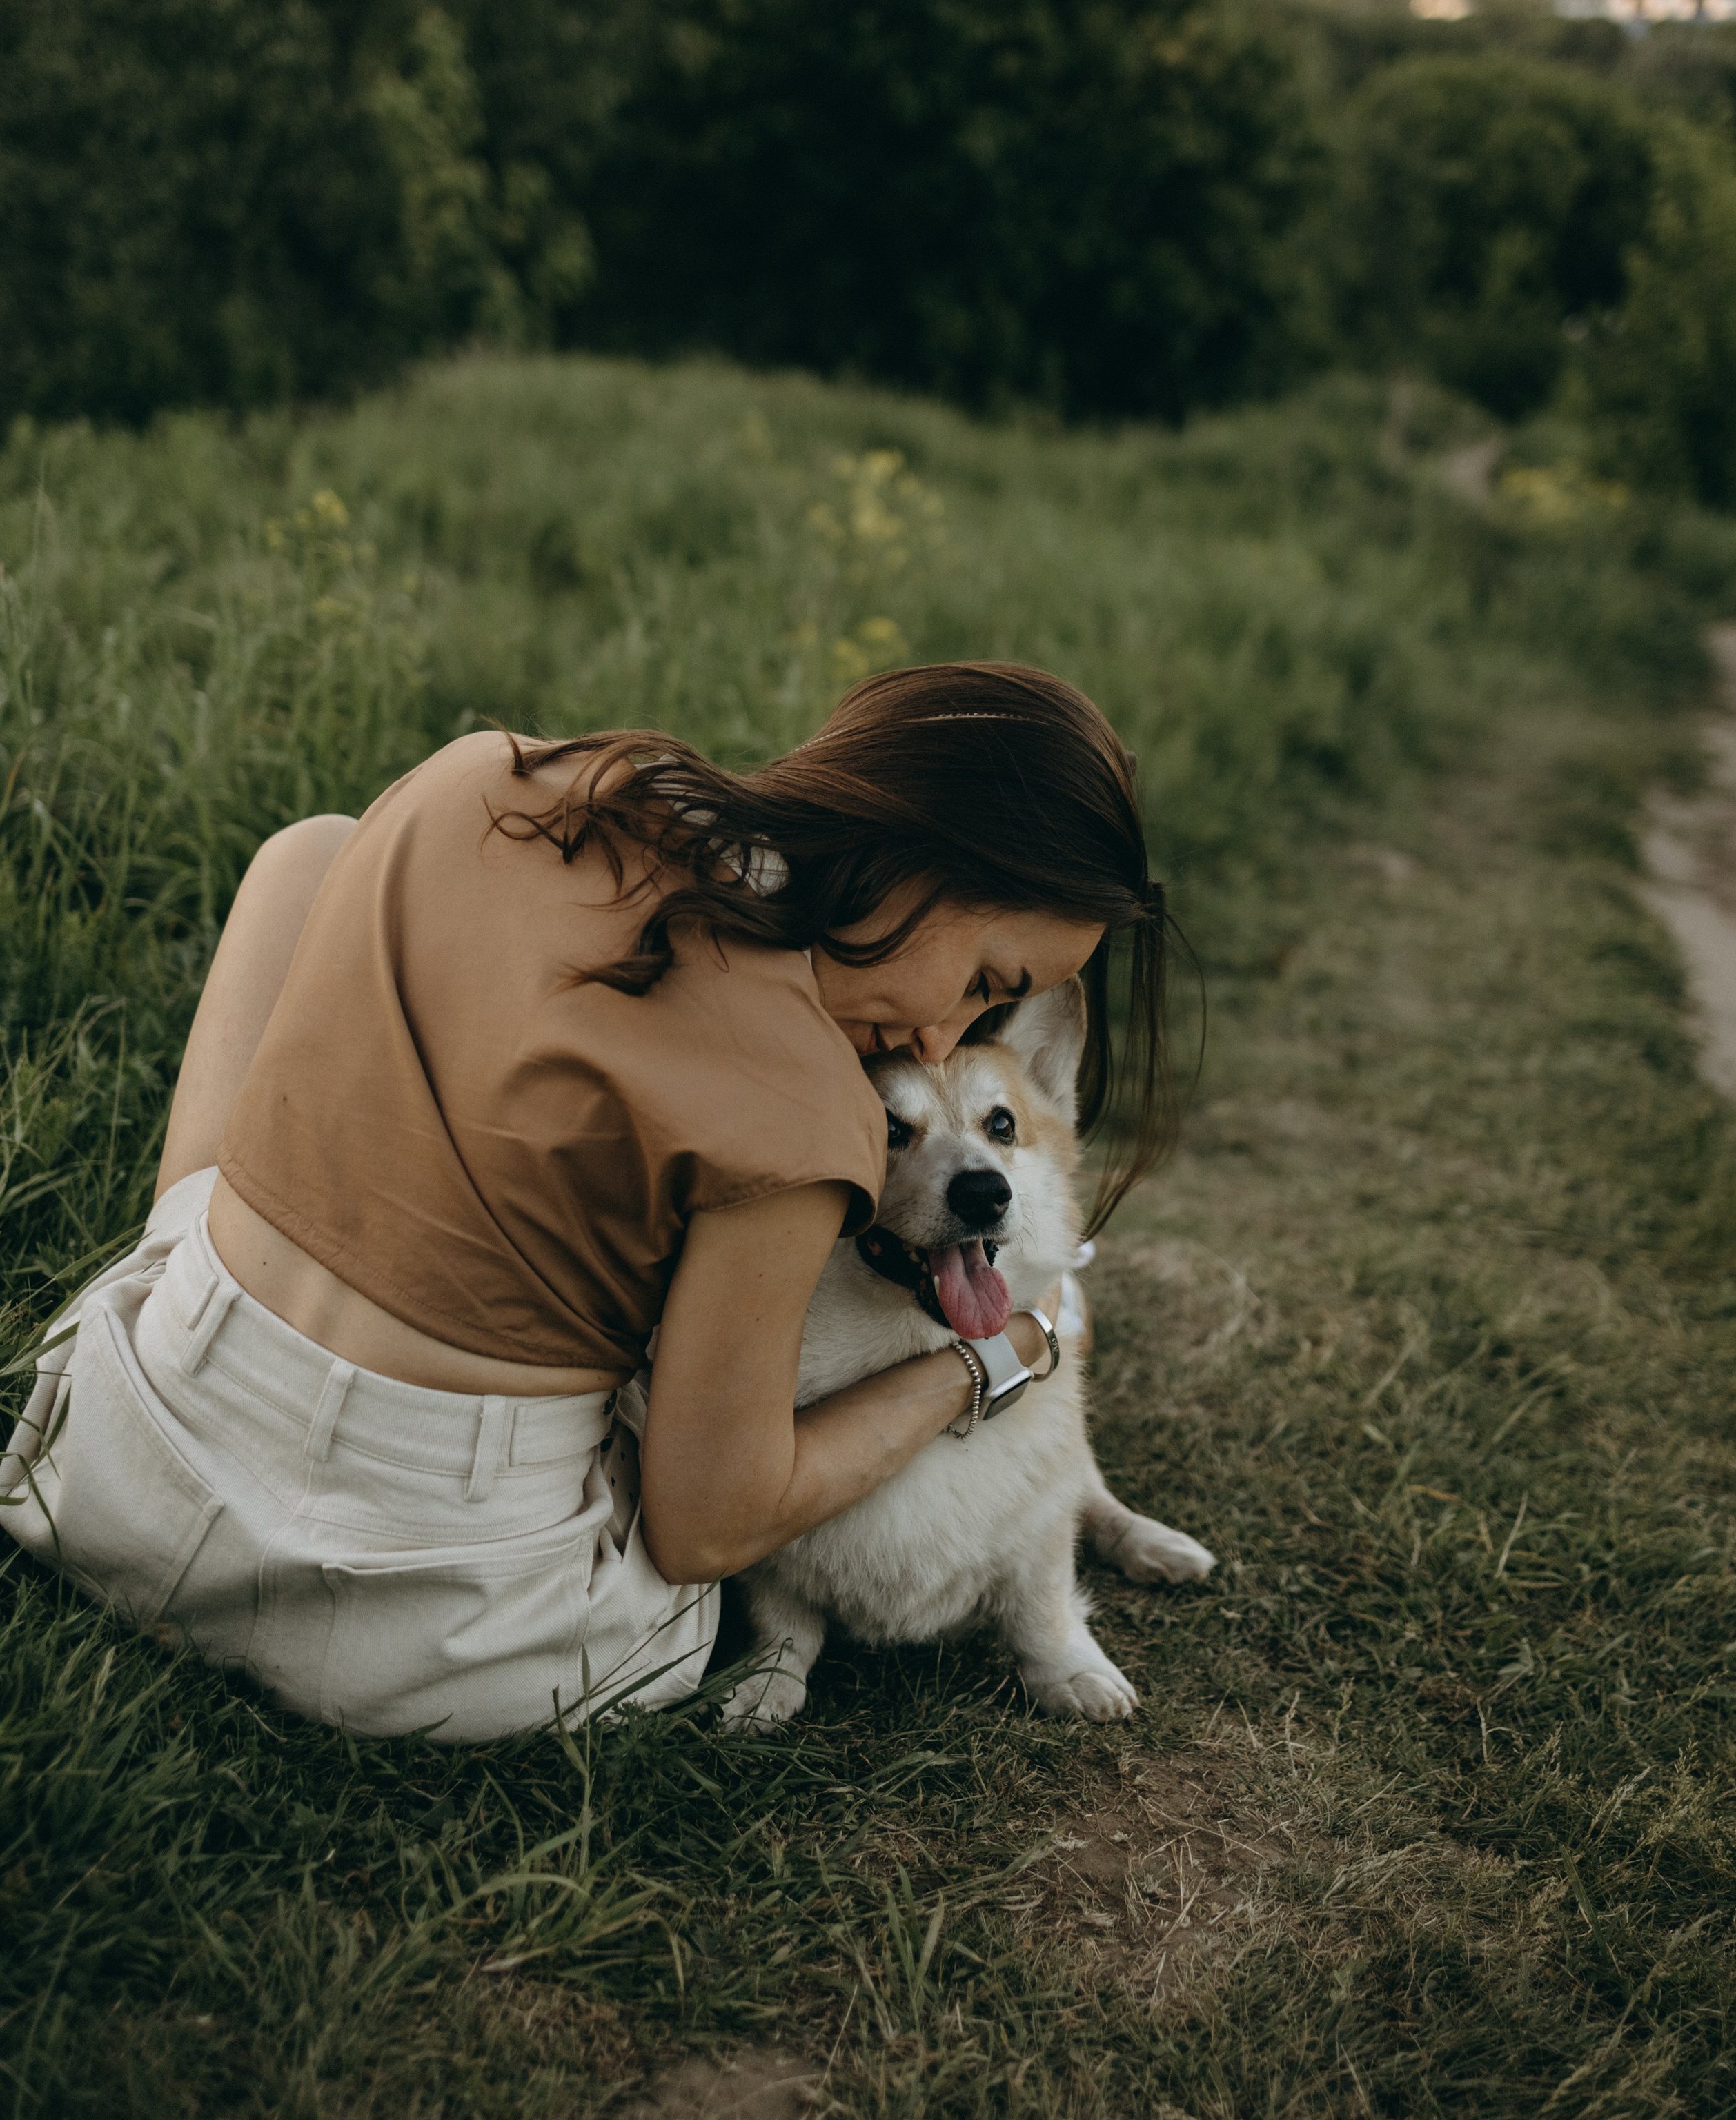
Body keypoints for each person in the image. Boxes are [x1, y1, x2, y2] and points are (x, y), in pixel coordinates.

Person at [1, 662, 1174, 1738]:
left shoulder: (500, 778)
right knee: (672, 1551)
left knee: (313, 849)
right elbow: (711, 1524)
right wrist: (992, 1361)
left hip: (114, 1456)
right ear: (920, 853)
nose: (939, 1034)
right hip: (432, 1636)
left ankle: (191, 1293)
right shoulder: (807, 1106)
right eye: (982, 982)